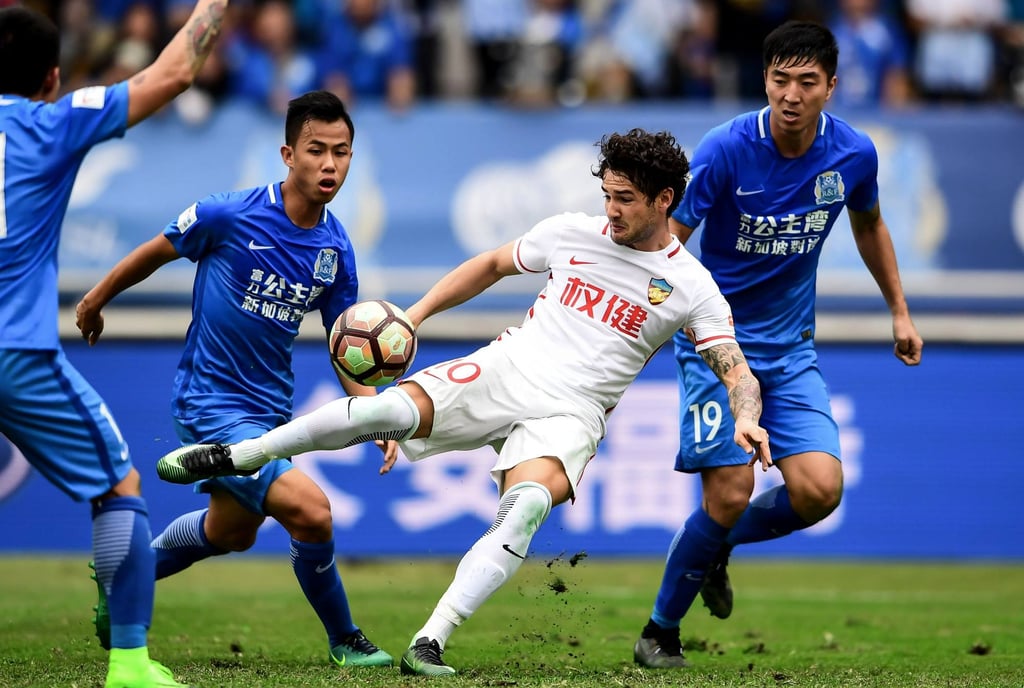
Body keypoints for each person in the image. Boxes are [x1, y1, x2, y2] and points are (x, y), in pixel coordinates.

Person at [151, 127, 773, 676]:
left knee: (525, 507)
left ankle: (429, 642)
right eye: (606, 195)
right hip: (507, 367)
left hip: (571, 414)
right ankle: (237, 455)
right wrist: (412, 317)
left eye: (625, 199)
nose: (610, 211)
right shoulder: (571, 233)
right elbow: (493, 265)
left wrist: (747, 414)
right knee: (384, 411)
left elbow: (735, 368)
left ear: (665, 200)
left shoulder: (691, 285)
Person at [633, 20, 924, 669]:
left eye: (807, 81)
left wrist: (899, 312)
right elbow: (667, 241)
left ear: (832, 87)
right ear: (765, 80)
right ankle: (660, 632)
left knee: (821, 489)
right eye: (779, 79)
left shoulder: (853, 155)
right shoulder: (725, 148)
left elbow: (871, 226)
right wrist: (648, 324)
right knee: (731, 489)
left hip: (791, 348)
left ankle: (718, 547)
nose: (791, 94)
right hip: (717, 342)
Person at [75, 90, 395, 669]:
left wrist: (375, 412)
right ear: (287, 154)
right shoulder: (230, 214)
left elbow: (345, 342)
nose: (329, 164)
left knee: (231, 533)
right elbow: (157, 249)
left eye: (341, 152)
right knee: (313, 511)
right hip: (209, 400)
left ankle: (123, 571)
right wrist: (97, 299)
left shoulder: (336, 247)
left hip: (269, 409)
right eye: (316, 150)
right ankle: (346, 639)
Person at [0, 2, 229, 687]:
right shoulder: (52, 120)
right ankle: (129, 662)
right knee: (118, 485)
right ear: (52, 76)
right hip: (14, 351)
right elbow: (176, 71)